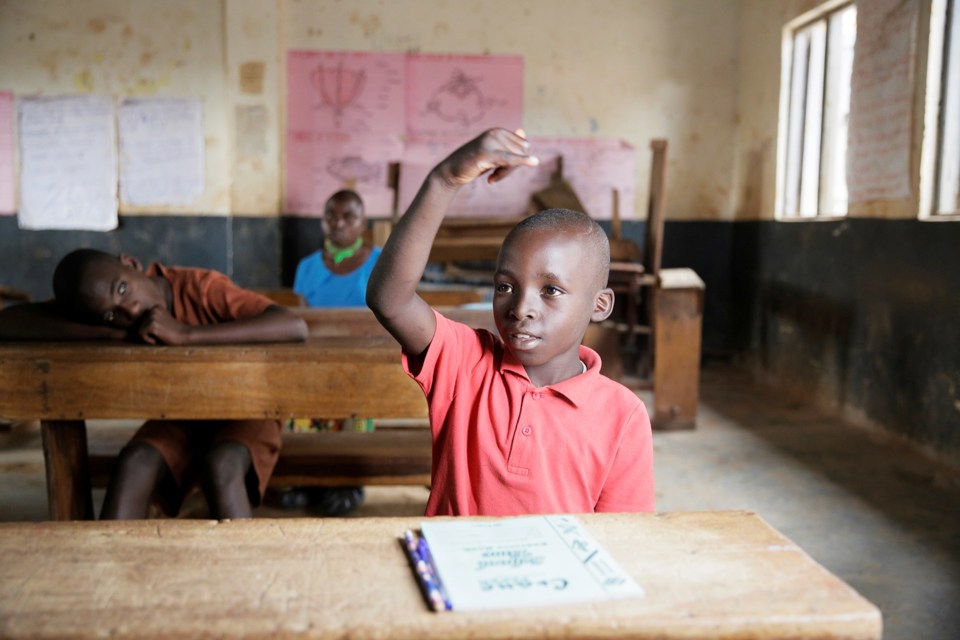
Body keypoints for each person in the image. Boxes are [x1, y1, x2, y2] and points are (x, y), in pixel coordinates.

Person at [366, 128, 655, 516]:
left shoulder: (623, 414)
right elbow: (389, 300)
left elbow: (623, 539)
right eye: (506, 286)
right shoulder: (465, 364)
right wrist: (445, 178)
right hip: (457, 571)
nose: (521, 308)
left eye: (550, 290)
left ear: (599, 305)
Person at [0, 249, 308, 520]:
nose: (130, 311)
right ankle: (105, 576)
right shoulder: (104, 306)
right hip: (182, 413)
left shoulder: (201, 287)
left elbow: (293, 325)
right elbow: (9, 321)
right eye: (111, 315)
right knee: (134, 463)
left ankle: (247, 579)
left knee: (221, 466)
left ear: (131, 263)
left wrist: (185, 335)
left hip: (249, 407)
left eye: (123, 289)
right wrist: (114, 334)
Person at [282, 189, 380, 515]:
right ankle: (308, 475)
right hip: (315, 361)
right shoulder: (307, 267)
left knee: (353, 402)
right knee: (304, 400)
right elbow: (300, 318)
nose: (339, 223)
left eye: (349, 216)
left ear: (363, 222)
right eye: (330, 216)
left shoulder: (380, 260)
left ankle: (348, 480)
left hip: (363, 361)